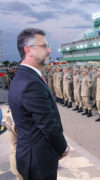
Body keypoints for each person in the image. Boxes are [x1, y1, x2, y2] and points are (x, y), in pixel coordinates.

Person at [8, 28, 69, 180]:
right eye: (44, 46)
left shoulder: (24, 76)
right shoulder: (30, 83)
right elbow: (47, 124)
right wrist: (62, 147)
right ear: (28, 50)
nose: (49, 50)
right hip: (38, 159)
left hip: (32, 155)